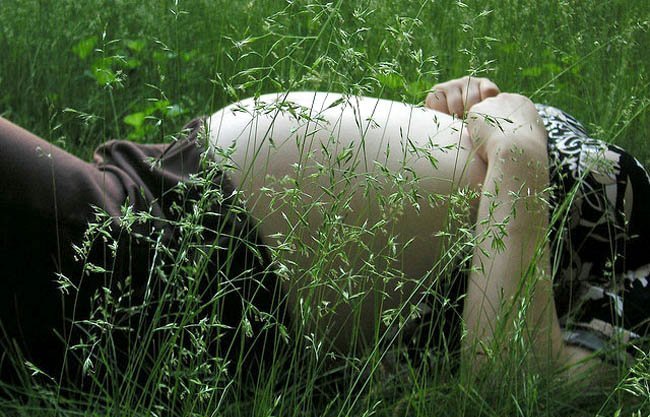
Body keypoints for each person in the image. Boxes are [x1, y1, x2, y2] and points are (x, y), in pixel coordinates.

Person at [0, 76, 647, 390]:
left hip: (206, 276)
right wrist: (463, 104)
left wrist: (519, 154)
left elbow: (514, 384)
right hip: (175, 191)